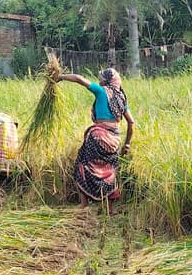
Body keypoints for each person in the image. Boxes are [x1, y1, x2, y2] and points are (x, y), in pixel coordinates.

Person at [58, 68, 135, 210]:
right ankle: (109, 209)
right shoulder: (121, 98)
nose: (99, 80)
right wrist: (127, 145)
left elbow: (79, 78)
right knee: (110, 170)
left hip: (98, 136)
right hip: (114, 141)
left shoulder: (101, 91)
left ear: (106, 80)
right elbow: (131, 122)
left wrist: (60, 76)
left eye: (101, 78)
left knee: (82, 164)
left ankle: (84, 205)